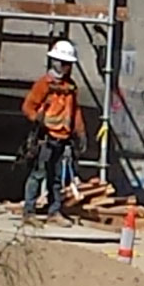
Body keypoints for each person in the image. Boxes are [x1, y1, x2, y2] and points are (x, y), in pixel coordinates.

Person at [21, 39, 86, 226]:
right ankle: (29, 212)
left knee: (56, 178)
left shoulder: (71, 87)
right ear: (56, 62)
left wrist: (80, 131)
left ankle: (54, 212)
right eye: (64, 63)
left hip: (62, 139)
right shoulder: (44, 84)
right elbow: (27, 107)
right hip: (45, 138)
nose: (66, 67)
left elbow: (75, 111)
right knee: (38, 175)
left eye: (69, 64)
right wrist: (37, 118)